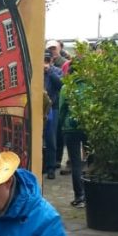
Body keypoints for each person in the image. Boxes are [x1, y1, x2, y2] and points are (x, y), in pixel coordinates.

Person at [59, 61, 87, 207]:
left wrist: (61, 125)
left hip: (70, 129)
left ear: (69, 74)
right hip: (88, 127)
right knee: (89, 161)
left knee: (76, 163)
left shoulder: (66, 88)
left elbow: (63, 108)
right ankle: (90, 194)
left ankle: (79, 197)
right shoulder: (91, 86)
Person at [44, 51, 64, 179]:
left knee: (51, 138)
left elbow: (60, 85)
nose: (45, 62)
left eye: (47, 59)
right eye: (43, 59)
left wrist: (49, 72)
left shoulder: (57, 71)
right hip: (39, 108)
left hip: (53, 108)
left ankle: (51, 167)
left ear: (51, 60)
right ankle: (42, 165)